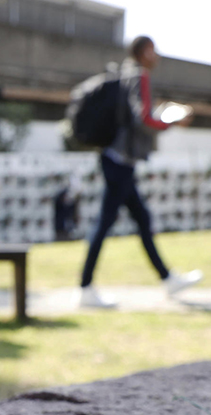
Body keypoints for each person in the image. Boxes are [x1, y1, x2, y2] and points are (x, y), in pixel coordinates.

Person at [79, 35, 202, 308]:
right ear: (145, 52)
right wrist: (172, 121)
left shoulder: (123, 75)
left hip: (116, 159)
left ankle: (167, 278)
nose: (157, 56)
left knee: (142, 220)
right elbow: (143, 118)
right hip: (120, 160)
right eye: (154, 51)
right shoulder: (140, 77)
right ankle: (86, 288)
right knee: (105, 223)